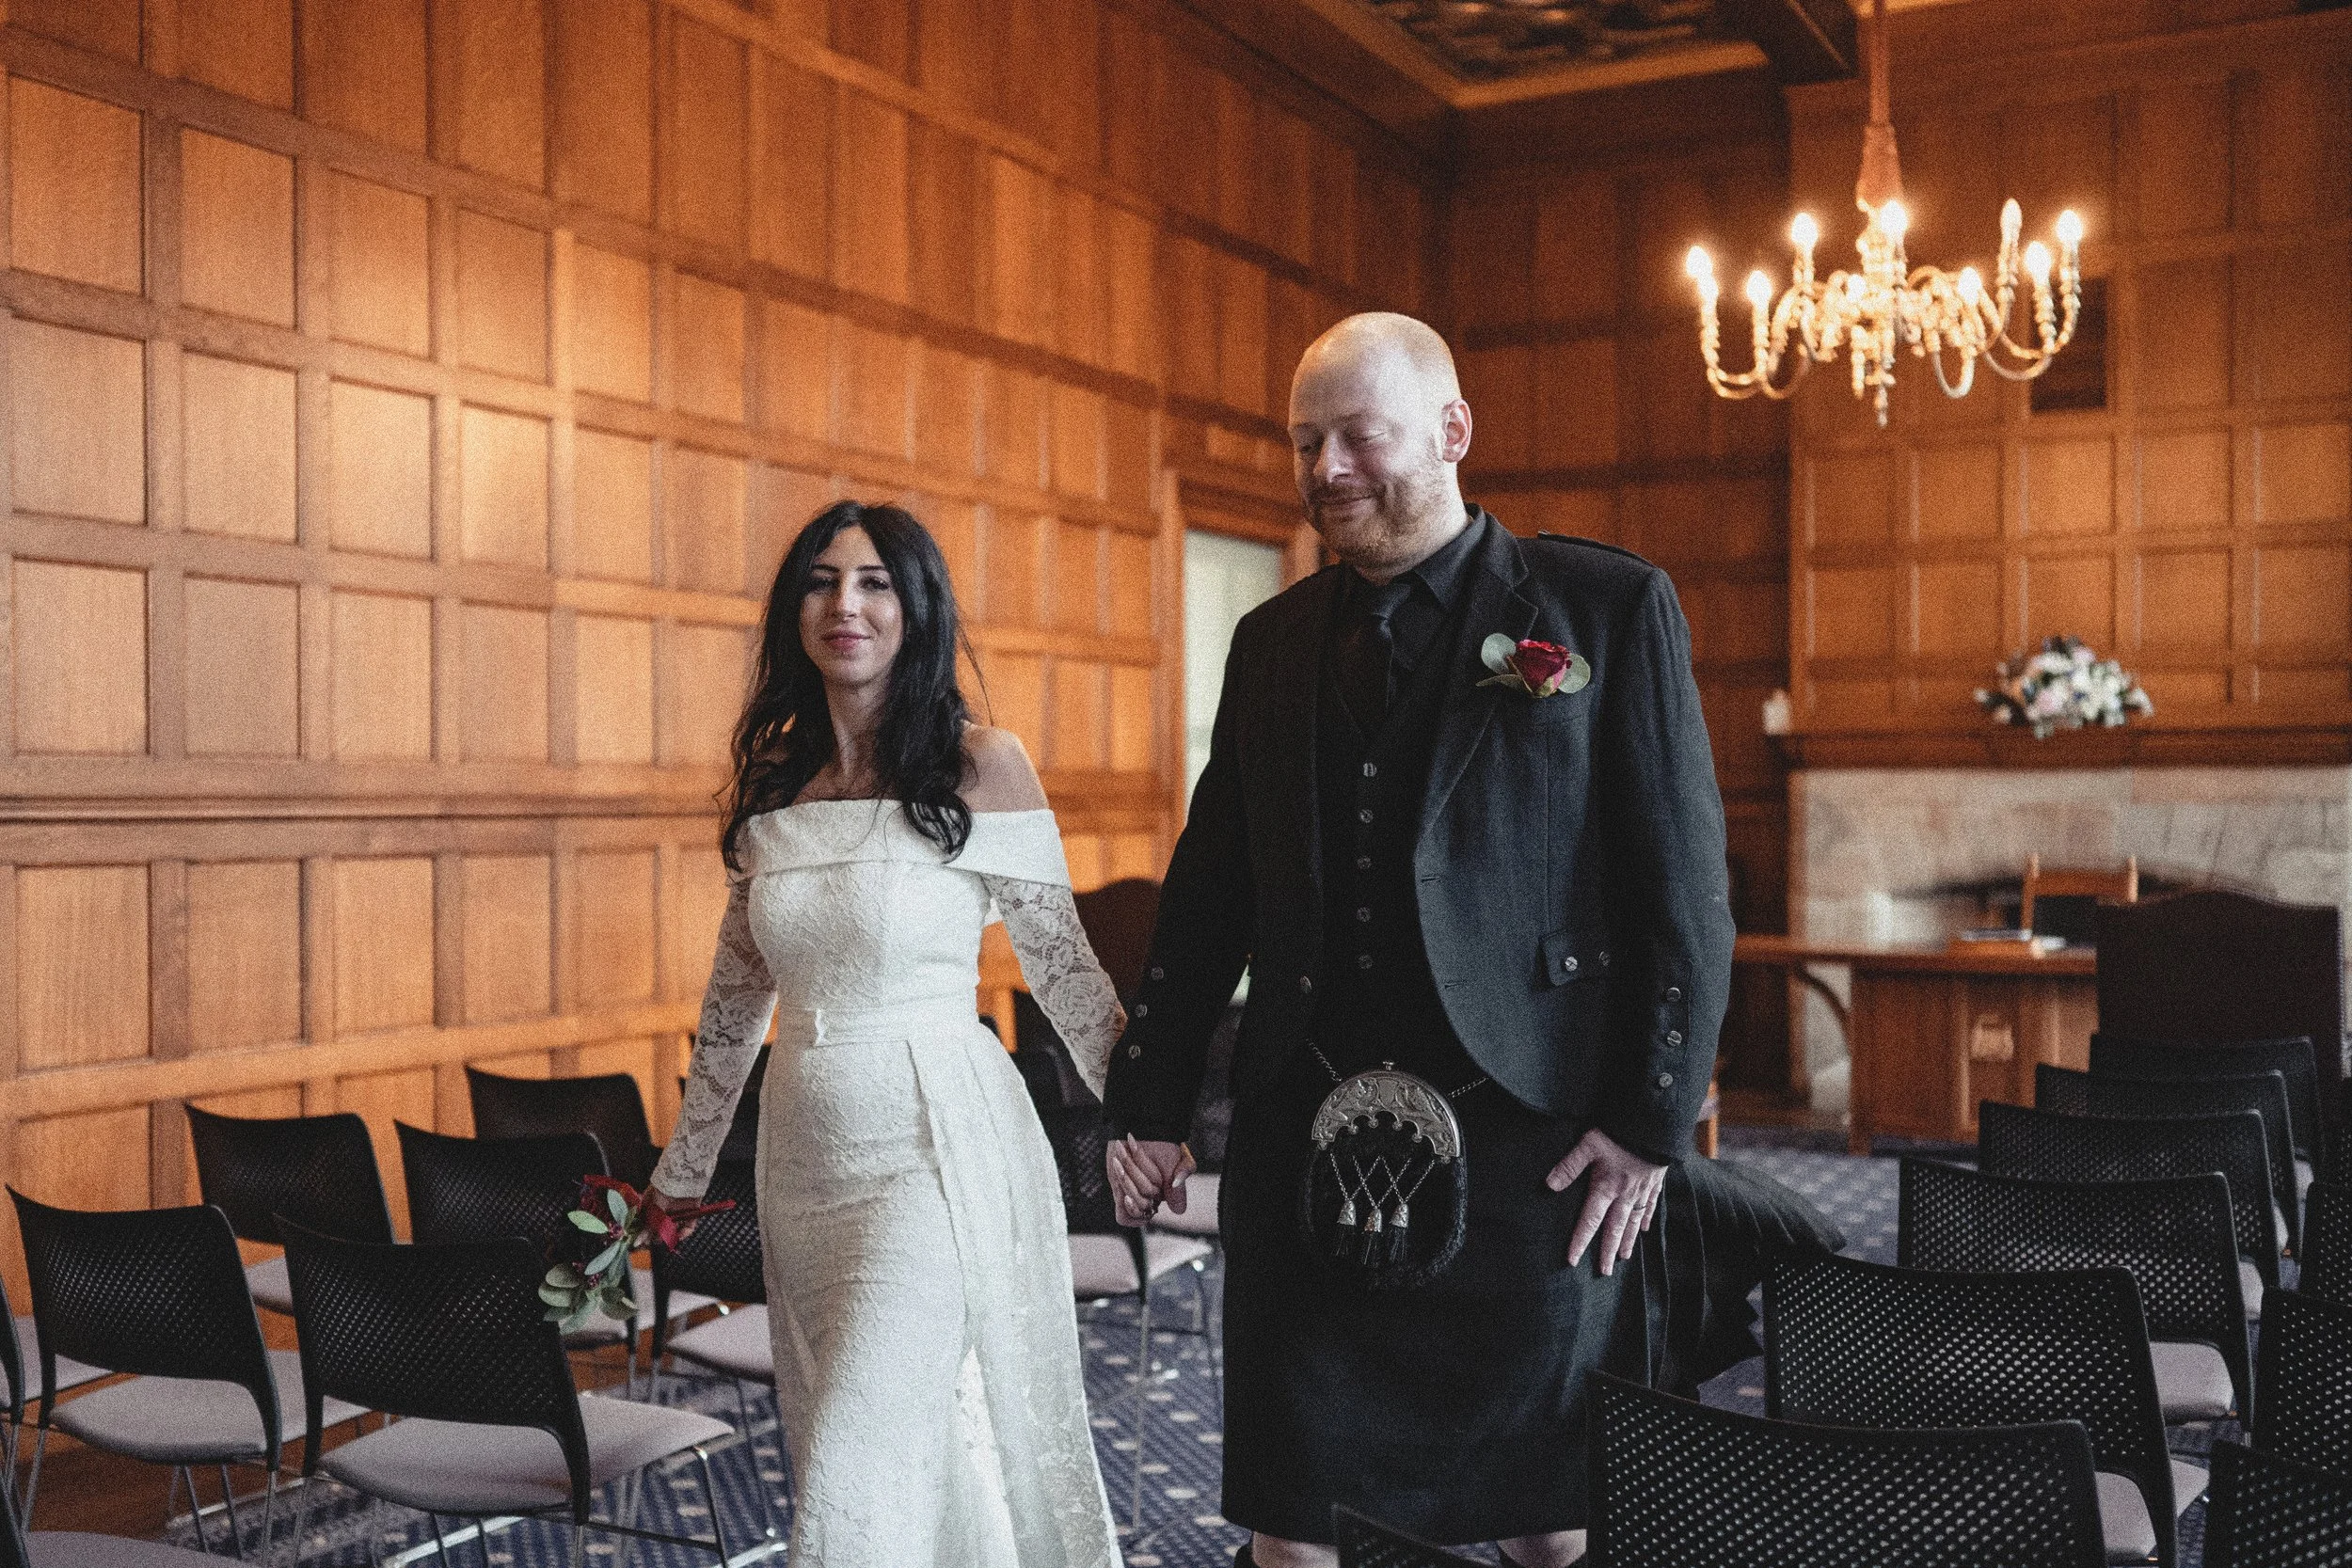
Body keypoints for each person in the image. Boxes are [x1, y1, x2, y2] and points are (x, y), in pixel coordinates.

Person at [1103, 313, 1735, 1567]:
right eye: (1304, 442)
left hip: (1532, 1144)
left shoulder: (1605, 609)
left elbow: (1684, 894)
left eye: (1357, 435)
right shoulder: (1270, 641)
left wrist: (1647, 1120)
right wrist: (1154, 1093)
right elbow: (1211, 885)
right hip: (1303, 1132)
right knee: (1293, 1528)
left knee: (1546, 1527)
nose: (1324, 467)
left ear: (1451, 432)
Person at [645, 499, 1126, 1568]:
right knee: (875, 1444)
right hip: (803, 1155)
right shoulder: (773, 783)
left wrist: (1149, 1118)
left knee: (859, 1459)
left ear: (918, 609)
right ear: (793, 610)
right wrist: (683, 1164)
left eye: (872, 581)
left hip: (934, 1146)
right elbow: (733, 1003)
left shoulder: (981, 763)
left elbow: (1065, 970)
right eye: (820, 580)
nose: (845, 603)